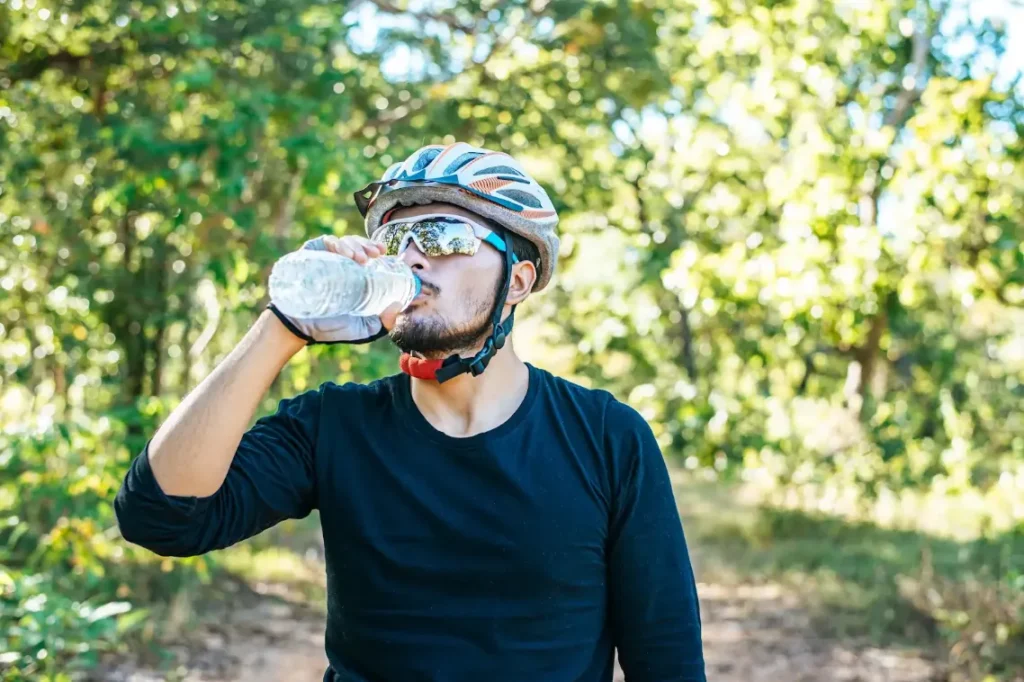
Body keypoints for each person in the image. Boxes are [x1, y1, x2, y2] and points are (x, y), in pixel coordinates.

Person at [114, 142, 706, 682]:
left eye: (447, 237)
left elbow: (667, 659)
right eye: (397, 241)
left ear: (519, 281)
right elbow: (160, 517)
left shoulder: (605, 436)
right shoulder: (334, 426)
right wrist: (283, 325)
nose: (415, 259)